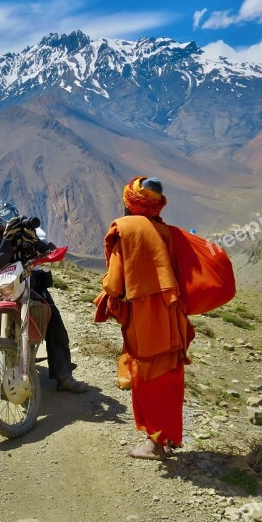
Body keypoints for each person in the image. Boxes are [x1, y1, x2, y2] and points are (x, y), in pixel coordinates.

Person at [94, 177, 195, 460]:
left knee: (147, 378)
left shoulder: (125, 230)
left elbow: (114, 285)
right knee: (170, 377)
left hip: (144, 323)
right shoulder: (167, 232)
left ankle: (156, 444)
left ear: (130, 203)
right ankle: (170, 436)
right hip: (172, 317)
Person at [0, 200, 87, 397]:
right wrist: (7, 239)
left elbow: (51, 251)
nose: (7, 224)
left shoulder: (33, 231)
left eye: (9, 220)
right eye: (2, 223)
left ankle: (64, 376)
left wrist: (33, 240)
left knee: (55, 325)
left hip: (33, 283)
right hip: (7, 284)